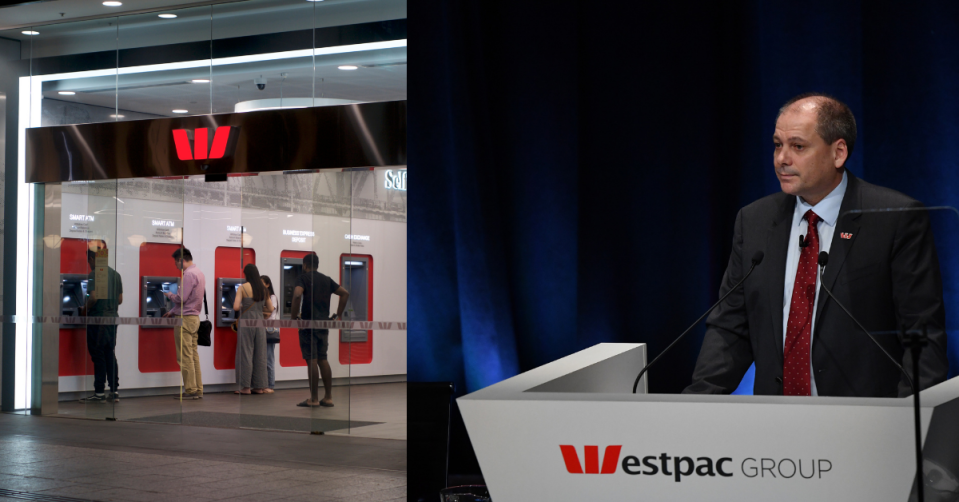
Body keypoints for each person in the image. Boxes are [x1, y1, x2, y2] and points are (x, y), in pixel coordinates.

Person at [685, 93, 949, 397]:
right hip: (776, 423)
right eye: (777, 145)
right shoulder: (754, 220)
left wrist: (911, 421)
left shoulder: (895, 219)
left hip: (865, 424)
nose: (782, 158)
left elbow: (922, 335)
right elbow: (730, 327)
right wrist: (695, 406)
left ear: (838, 153)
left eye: (797, 146)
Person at [290, 252, 349, 407]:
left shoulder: (302, 278)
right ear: (317, 265)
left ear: (305, 265)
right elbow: (345, 293)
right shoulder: (326, 280)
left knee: (312, 360)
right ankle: (328, 397)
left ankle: (314, 399)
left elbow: (297, 295)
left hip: (308, 325)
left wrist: (294, 316)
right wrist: (337, 315)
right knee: (323, 359)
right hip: (323, 325)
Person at [78, 244, 123, 404]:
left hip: (98, 320)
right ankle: (114, 390)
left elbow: (94, 297)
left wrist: (84, 309)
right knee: (109, 353)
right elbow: (120, 299)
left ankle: (98, 392)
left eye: (88, 260)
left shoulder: (94, 274)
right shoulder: (115, 274)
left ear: (91, 258)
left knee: (98, 355)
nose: (89, 264)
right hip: (112, 319)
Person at [163, 247, 206, 400]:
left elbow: (181, 299)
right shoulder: (199, 273)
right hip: (194, 319)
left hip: (185, 321)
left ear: (181, 260)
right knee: (193, 355)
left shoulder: (188, 275)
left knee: (184, 356)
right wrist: (173, 311)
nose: (176, 266)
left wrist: (169, 294)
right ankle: (198, 389)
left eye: (176, 262)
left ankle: (190, 390)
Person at [233, 264, 273, 395]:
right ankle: (259, 387)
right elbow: (271, 308)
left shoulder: (242, 287)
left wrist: (245, 304)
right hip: (260, 322)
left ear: (246, 274)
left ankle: (245, 387)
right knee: (260, 354)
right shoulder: (264, 290)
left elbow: (236, 307)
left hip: (246, 322)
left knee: (245, 353)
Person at [261, 275, 280, 393]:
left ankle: (270, 385)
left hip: (269, 329)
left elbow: (268, 313)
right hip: (263, 328)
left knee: (269, 359)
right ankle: (264, 384)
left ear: (268, 284)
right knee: (263, 359)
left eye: (262, 283)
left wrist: (260, 311)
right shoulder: (262, 297)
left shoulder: (272, 297)